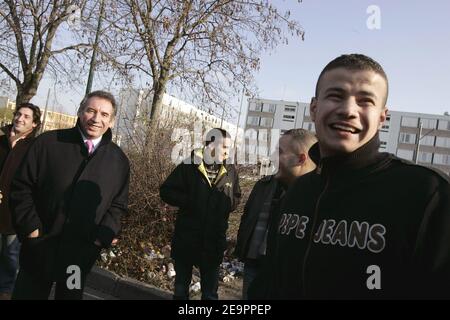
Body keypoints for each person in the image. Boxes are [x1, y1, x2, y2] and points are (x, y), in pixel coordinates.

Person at [250, 54, 450, 299]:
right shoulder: (297, 192)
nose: (348, 111)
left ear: (382, 117)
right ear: (314, 108)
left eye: (365, 101)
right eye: (336, 96)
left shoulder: (427, 195)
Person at [10, 90, 130, 300]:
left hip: (77, 259)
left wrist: (99, 240)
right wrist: (31, 228)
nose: (96, 119)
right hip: (38, 248)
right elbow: (21, 187)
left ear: (111, 121)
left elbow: (118, 206)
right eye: (91, 111)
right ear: (80, 111)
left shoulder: (118, 161)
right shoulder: (49, 143)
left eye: (104, 114)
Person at [234, 129, 317, 299]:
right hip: (254, 264)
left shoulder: (319, 197)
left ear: (301, 159)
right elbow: (247, 217)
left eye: (279, 152)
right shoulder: (264, 185)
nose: (272, 157)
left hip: (288, 277)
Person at [160, 128, 241, 300]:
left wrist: (225, 206)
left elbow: (236, 196)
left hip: (214, 241)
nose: (228, 152)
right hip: (187, 238)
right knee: (181, 290)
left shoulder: (230, 170)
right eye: (224, 147)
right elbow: (166, 191)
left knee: (210, 294)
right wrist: (190, 201)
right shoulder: (190, 165)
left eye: (230, 148)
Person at [0, 103, 41, 300]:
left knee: (10, 256)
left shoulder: (34, 149)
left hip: (14, 213)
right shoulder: (1, 141)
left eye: (26, 117)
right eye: (18, 114)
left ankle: (6, 292)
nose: (20, 119)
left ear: (34, 124)